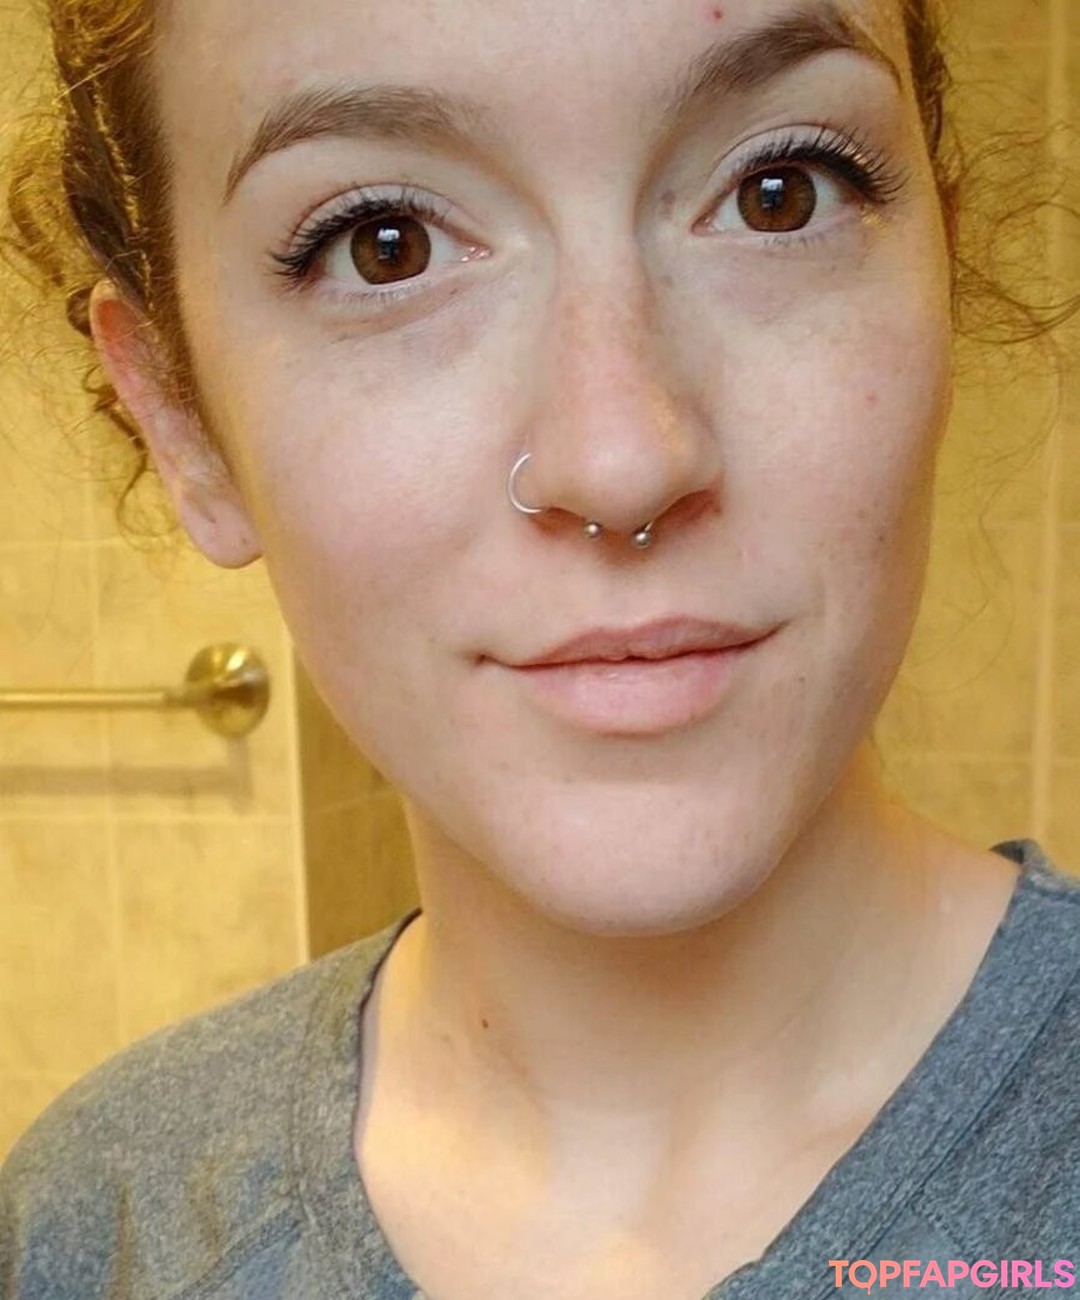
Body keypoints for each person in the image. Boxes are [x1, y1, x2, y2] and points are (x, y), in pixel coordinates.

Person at [1, 0, 1078, 1297]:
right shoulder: (92, 1228)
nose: (621, 461)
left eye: (778, 195)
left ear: (940, 277)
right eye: (385, 247)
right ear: (180, 421)